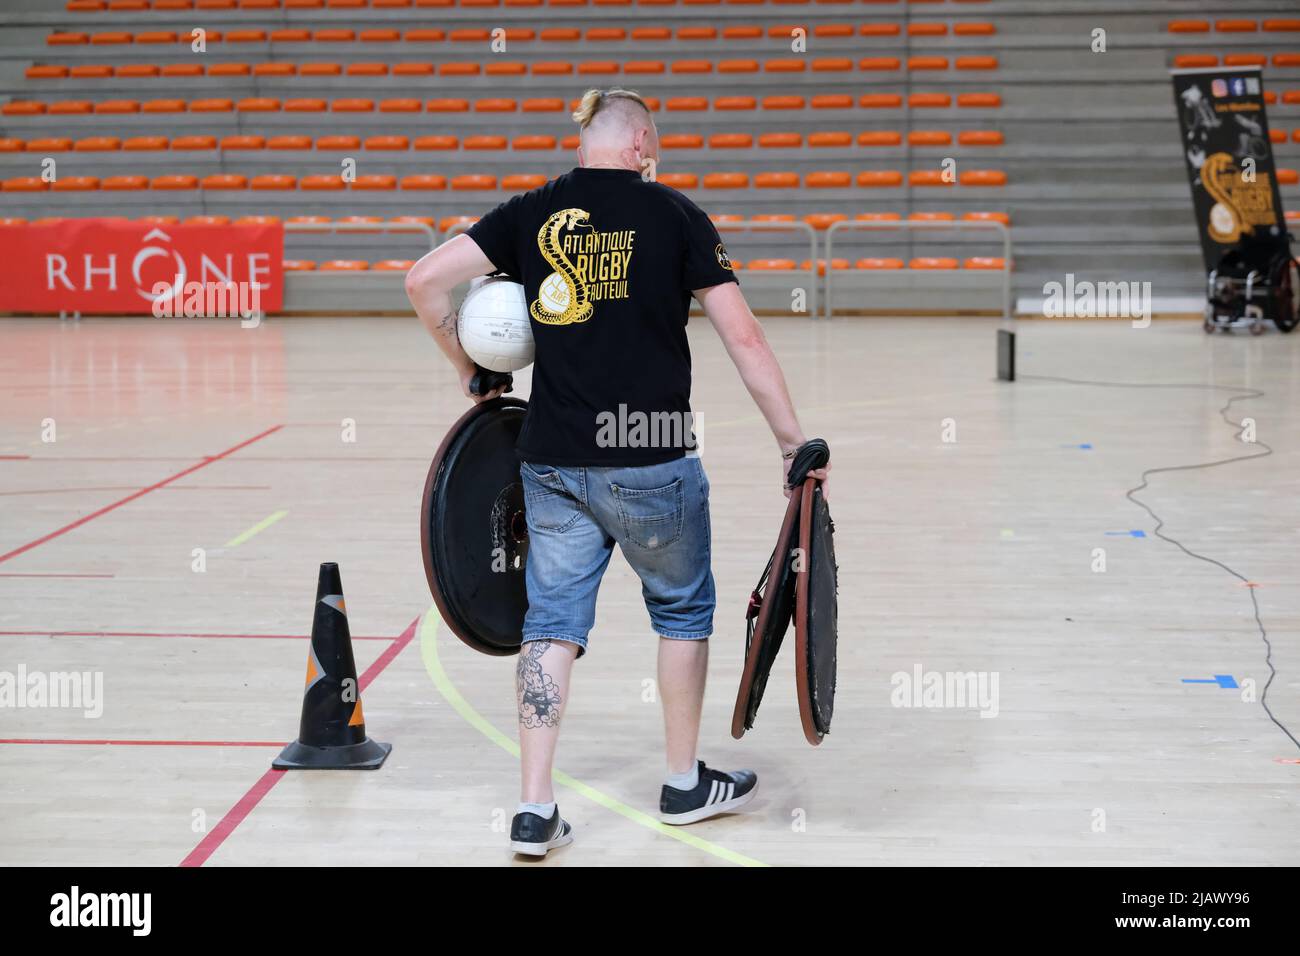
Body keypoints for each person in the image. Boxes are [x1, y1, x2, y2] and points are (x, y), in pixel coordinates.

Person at [405, 88, 828, 857]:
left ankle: (534, 810)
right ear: (639, 146)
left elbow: (424, 281)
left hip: (552, 457)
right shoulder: (675, 215)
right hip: (653, 451)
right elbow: (746, 338)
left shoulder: (531, 211)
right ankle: (681, 783)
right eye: (653, 147)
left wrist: (473, 371)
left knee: (550, 627)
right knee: (682, 613)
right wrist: (792, 442)